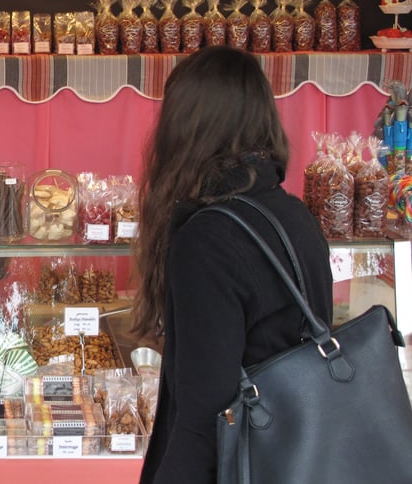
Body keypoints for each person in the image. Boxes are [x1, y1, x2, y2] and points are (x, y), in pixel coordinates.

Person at [132, 45, 333, 484]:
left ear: (185, 128)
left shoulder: (207, 240)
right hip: (294, 457)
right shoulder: (293, 216)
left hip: (242, 465)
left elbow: (206, 420)